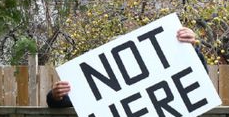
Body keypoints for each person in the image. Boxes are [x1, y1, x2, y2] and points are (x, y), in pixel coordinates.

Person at [46, 26, 203, 107]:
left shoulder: (157, 73)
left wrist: (190, 49)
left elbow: (197, 79)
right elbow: (65, 101)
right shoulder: (105, 81)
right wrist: (55, 96)